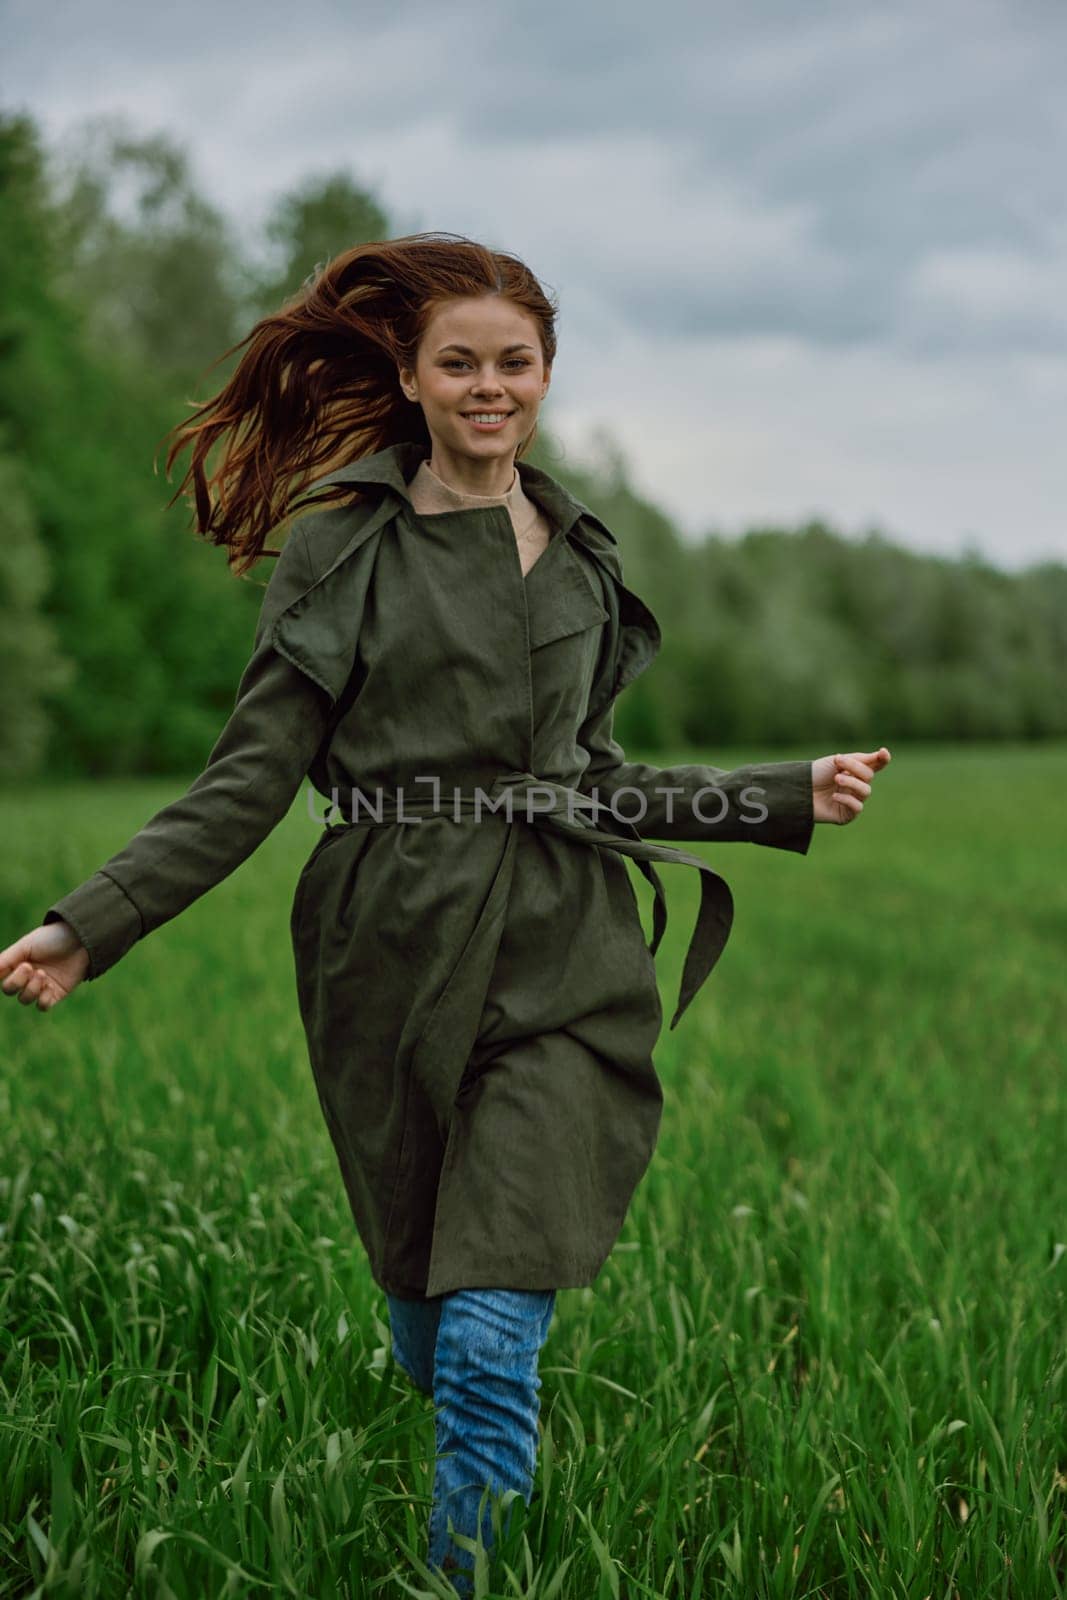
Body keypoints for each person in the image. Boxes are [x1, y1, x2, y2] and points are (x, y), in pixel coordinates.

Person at [0, 231, 891, 1592]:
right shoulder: (344, 552)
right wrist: (92, 922)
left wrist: (779, 793)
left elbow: (594, 784)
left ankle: (464, 1580)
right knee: (428, 1321)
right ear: (411, 379)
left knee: (488, 1338)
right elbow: (250, 780)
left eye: (514, 363)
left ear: (546, 375)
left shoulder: (583, 561)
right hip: (387, 946)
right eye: (459, 363)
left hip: (562, 958)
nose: (490, 386)